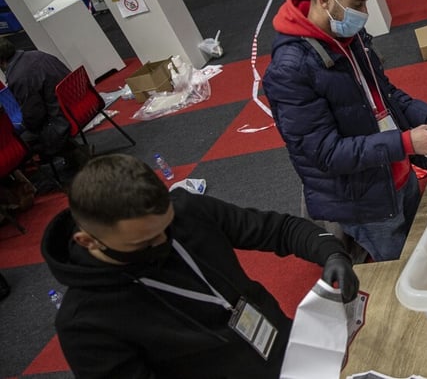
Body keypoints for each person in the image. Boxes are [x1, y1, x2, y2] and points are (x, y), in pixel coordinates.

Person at [40, 154, 360, 379]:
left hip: (289, 345)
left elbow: (278, 229)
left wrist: (330, 252)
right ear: (87, 241)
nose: (163, 242)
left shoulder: (187, 211)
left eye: (166, 227)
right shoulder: (85, 324)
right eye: (144, 241)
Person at [262, 0, 427, 262]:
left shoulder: (350, 36)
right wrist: (405, 142)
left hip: (396, 169)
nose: (364, 13)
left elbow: (385, 95)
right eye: (357, 4)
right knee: (402, 266)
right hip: (363, 200)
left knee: (426, 247)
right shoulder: (290, 70)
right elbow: (326, 153)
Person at [0, 37, 85, 166]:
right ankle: (73, 154)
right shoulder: (37, 54)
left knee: (15, 143)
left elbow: (34, 118)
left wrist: (20, 127)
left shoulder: (18, 76)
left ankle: (74, 154)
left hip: (60, 121)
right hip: (79, 105)